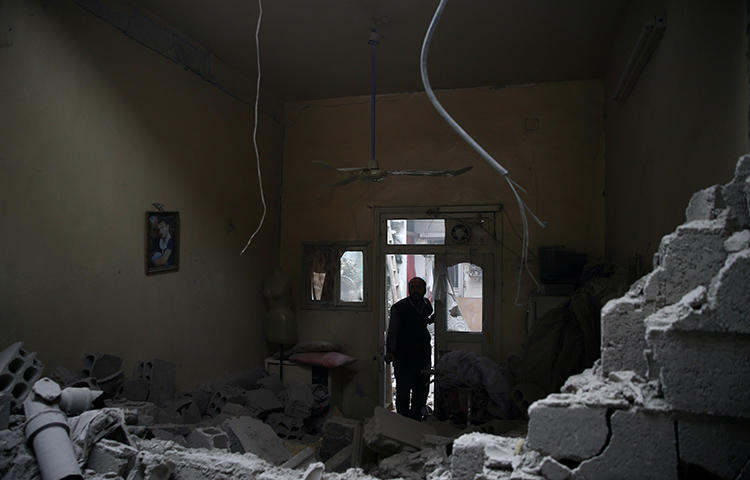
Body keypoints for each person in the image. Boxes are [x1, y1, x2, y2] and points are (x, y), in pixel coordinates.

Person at [385, 276, 434, 420]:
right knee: (403, 393)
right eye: (412, 287)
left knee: (421, 391)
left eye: (419, 287)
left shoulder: (426, 305)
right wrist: (390, 351)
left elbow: (421, 321)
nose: (415, 290)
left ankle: (416, 422)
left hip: (422, 356)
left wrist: (431, 320)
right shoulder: (399, 308)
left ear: (424, 290)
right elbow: (393, 331)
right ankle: (402, 423)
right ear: (409, 290)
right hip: (404, 357)